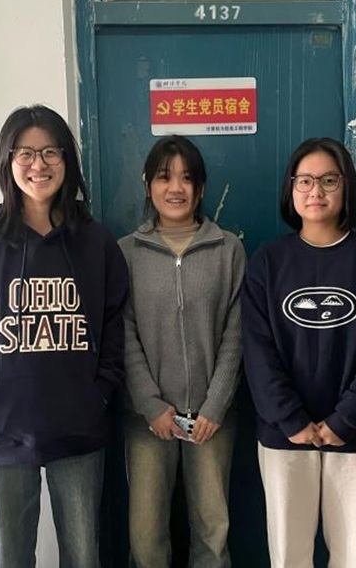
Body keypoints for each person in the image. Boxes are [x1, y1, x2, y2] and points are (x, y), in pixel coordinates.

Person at [0, 104, 129, 568]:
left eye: (50, 152)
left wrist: (99, 392)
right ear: (7, 161)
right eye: (24, 153)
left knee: (83, 557)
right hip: (4, 434)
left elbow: (115, 325)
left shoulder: (96, 243)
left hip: (79, 429)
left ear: (67, 160)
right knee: (11, 558)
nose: (38, 165)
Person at [241, 137, 356, 568]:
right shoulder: (267, 263)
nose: (316, 191)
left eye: (329, 180)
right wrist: (291, 419)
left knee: (355, 555)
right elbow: (257, 353)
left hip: (355, 434)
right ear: (291, 189)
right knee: (288, 554)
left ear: (347, 186)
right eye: (305, 181)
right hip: (283, 435)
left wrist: (345, 420)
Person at [119, 135, 245, 568]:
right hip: (147, 420)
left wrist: (216, 404)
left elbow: (236, 334)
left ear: (201, 187)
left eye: (187, 178)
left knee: (212, 534)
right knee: (146, 538)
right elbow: (124, 332)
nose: (176, 188)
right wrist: (150, 404)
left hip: (211, 419)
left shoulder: (228, 249)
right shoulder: (127, 252)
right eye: (164, 177)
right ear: (148, 184)